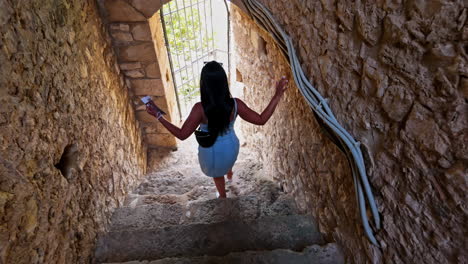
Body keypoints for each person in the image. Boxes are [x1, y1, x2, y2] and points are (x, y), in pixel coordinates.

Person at [146, 61, 288, 198]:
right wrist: (277, 95)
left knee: (218, 173)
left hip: (212, 151)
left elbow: (182, 135)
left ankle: (222, 196)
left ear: (204, 85)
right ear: (223, 83)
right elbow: (261, 119)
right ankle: (230, 174)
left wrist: (159, 116)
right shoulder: (235, 104)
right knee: (227, 162)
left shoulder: (199, 109)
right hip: (231, 147)